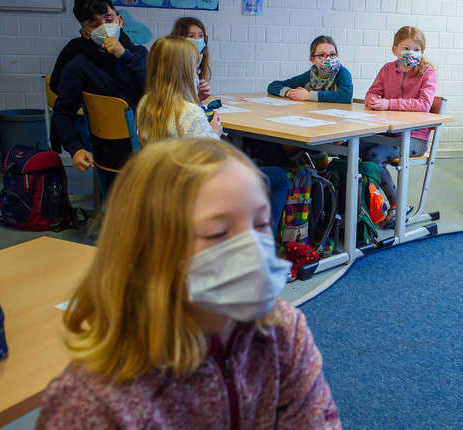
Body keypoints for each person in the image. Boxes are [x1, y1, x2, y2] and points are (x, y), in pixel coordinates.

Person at [35, 138, 341, 429]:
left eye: (261, 223)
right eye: (218, 233)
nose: (252, 247)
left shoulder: (284, 333)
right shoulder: (92, 404)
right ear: (149, 254)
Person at [136, 37, 287, 233]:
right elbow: (210, 166)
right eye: (195, 69)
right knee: (280, 177)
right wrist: (215, 134)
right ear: (185, 73)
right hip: (198, 195)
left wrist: (196, 101)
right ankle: (262, 244)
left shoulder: (145, 104)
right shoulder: (190, 113)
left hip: (163, 190)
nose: (197, 74)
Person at [51, 0, 148, 185]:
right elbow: (62, 112)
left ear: (119, 21)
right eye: (95, 25)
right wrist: (76, 148)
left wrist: (124, 55)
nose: (104, 27)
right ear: (85, 33)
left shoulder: (139, 54)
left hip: (148, 140)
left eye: (109, 19)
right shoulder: (79, 66)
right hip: (111, 150)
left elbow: (154, 87)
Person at [361, 26, 438, 225]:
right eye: (406, 48)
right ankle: (360, 202)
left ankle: (397, 204)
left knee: (372, 155)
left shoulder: (427, 73)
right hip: (390, 134)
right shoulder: (388, 69)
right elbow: (372, 92)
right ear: (395, 50)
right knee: (350, 146)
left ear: (422, 52)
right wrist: (372, 100)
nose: (411, 53)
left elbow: (424, 104)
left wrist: (389, 103)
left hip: (415, 138)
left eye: (416, 49)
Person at [265, 35, 351, 172]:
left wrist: (308, 95)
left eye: (332, 54)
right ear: (313, 60)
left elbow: (346, 95)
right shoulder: (310, 76)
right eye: (322, 55)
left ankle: (322, 173)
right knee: (286, 139)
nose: (328, 59)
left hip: (336, 128)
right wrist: (289, 92)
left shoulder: (342, 73)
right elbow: (273, 86)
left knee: (313, 144)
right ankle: (305, 170)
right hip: (312, 124)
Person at [170, 16, 213, 103]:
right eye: (191, 36)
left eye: (201, 35)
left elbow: (190, 103)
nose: (197, 39)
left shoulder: (198, 64)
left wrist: (199, 98)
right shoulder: (175, 68)